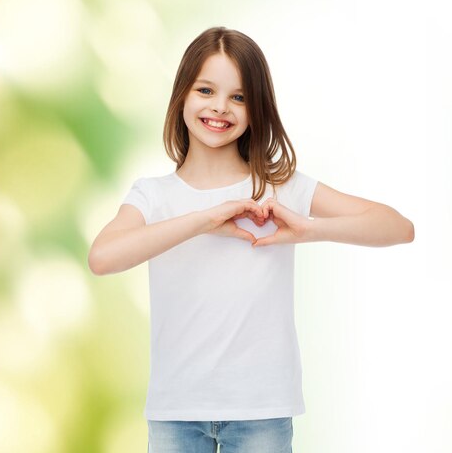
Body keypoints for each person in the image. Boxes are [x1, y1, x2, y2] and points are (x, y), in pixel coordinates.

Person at [87, 26, 414, 453]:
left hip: (262, 408)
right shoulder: (154, 195)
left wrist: (310, 228)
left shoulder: (279, 186)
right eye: (206, 90)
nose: (220, 108)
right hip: (176, 411)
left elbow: (397, 227)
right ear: (182, 95)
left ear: (256, 108)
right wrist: (204, 219)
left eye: (238, 97)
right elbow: (103, 257)